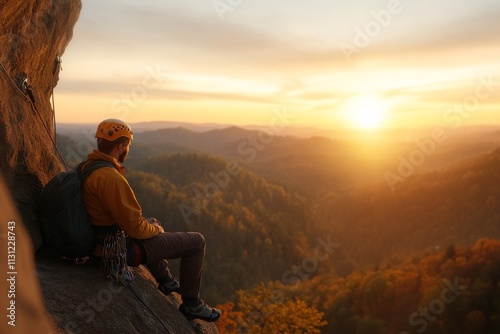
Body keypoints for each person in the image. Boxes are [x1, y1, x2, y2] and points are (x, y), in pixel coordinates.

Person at [80, 118, 221, 322]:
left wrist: (150, 225)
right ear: (121, 146)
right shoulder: (111, 178)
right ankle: (192, 304)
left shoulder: (88, 167)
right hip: (115, 252)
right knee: (196, 242)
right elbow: (136, 228)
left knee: (151, 220)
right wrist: (156, 230)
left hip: (99, 243)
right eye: (127, 145)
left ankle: (165, 280)